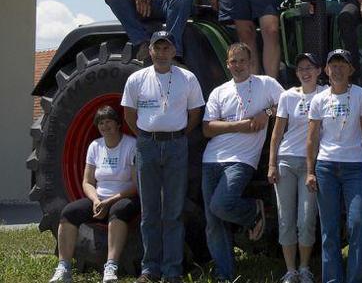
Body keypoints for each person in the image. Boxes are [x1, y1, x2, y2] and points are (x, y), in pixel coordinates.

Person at [121, 30, 204, 283]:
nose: (162, 52)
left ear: (174, 50)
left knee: (173, 211)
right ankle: (149, 269)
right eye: (157, 47)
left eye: (166, 47)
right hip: (146, 145)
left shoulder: (187, 78)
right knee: (150, 211)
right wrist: (148, 136)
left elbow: (195, 113)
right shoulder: (137, 79)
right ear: (150, 51)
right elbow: (128, 114)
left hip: (177, 145)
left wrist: (176, 135)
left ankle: (172, 270)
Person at [201, 42, 284, 282]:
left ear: (250, 62)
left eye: (242, 60)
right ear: (228, 65)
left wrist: (265, 114)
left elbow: (288, 104)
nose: (237, 65)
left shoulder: (265, 84)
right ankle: (224, 274)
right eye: (233, 61)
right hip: (211, 159)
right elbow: (207, 128)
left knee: (221, 204)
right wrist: (240, 126)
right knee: (213, 221)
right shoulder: (219, 91)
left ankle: (253, 213)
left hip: (242, 160)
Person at [306, 49, 362, 283]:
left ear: (350, 70)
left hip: (354, 168)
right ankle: (333, 279)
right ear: (326, 70)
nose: (337, 69)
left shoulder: (361, 95)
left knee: (357, 223)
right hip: (325, 168)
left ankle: (356, 278)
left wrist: (358, 155)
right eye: (333, 65)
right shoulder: (318, 99)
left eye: (341, 65)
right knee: (329, 229)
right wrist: (310, 171)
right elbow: (312, 138)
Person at [48, 106, 139, 283]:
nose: (105, 126)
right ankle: (64, 268)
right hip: (99, 199)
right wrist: (96, 200)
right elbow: (87, 182)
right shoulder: (95, 146)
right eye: (101, 123)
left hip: (124, 198)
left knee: (118, 211)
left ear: (118, 124)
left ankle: (111, 267)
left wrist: (110, 201)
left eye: (109, 122)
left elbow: (136, 185)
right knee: (69, 212)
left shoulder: (131, 145)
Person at [268, 53, 326, 283]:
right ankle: (290, 270)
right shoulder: (288, 96)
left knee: (306, 218)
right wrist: (272, 164)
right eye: (301, 68)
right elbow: (277, 133)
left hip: (311, 164)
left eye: (309, 67)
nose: (305, 72)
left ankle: (304, 268)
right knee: (285, 218)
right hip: (286, 161)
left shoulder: (325, 94)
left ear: (319, 70)